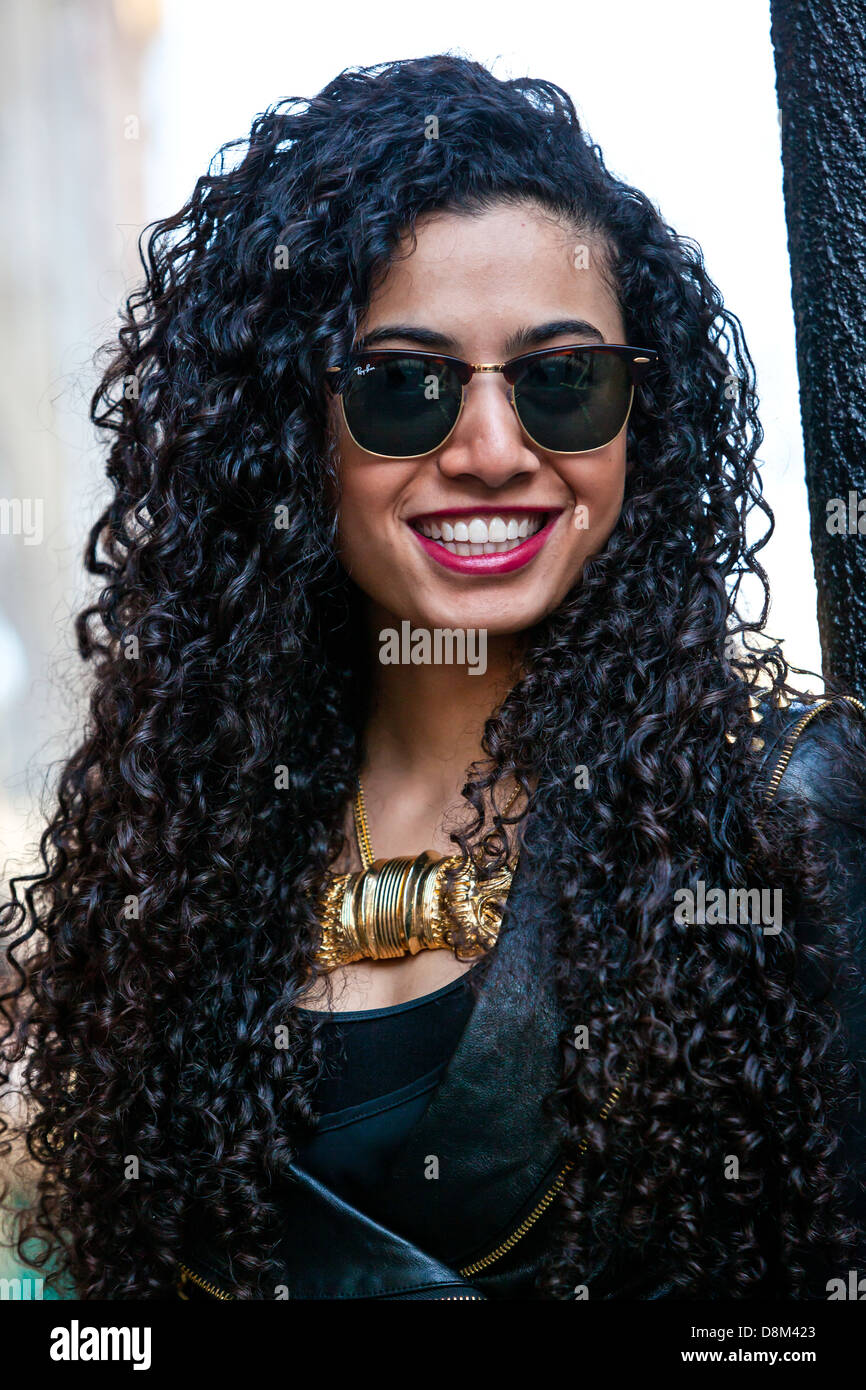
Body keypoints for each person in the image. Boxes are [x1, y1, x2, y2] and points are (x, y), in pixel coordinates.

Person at [2, 54, 865, 1301]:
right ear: (285, 430)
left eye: (563, 381)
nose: (492, 451)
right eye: (404, 386)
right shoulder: (178, 846)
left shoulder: (787, 811)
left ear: (641, 418)